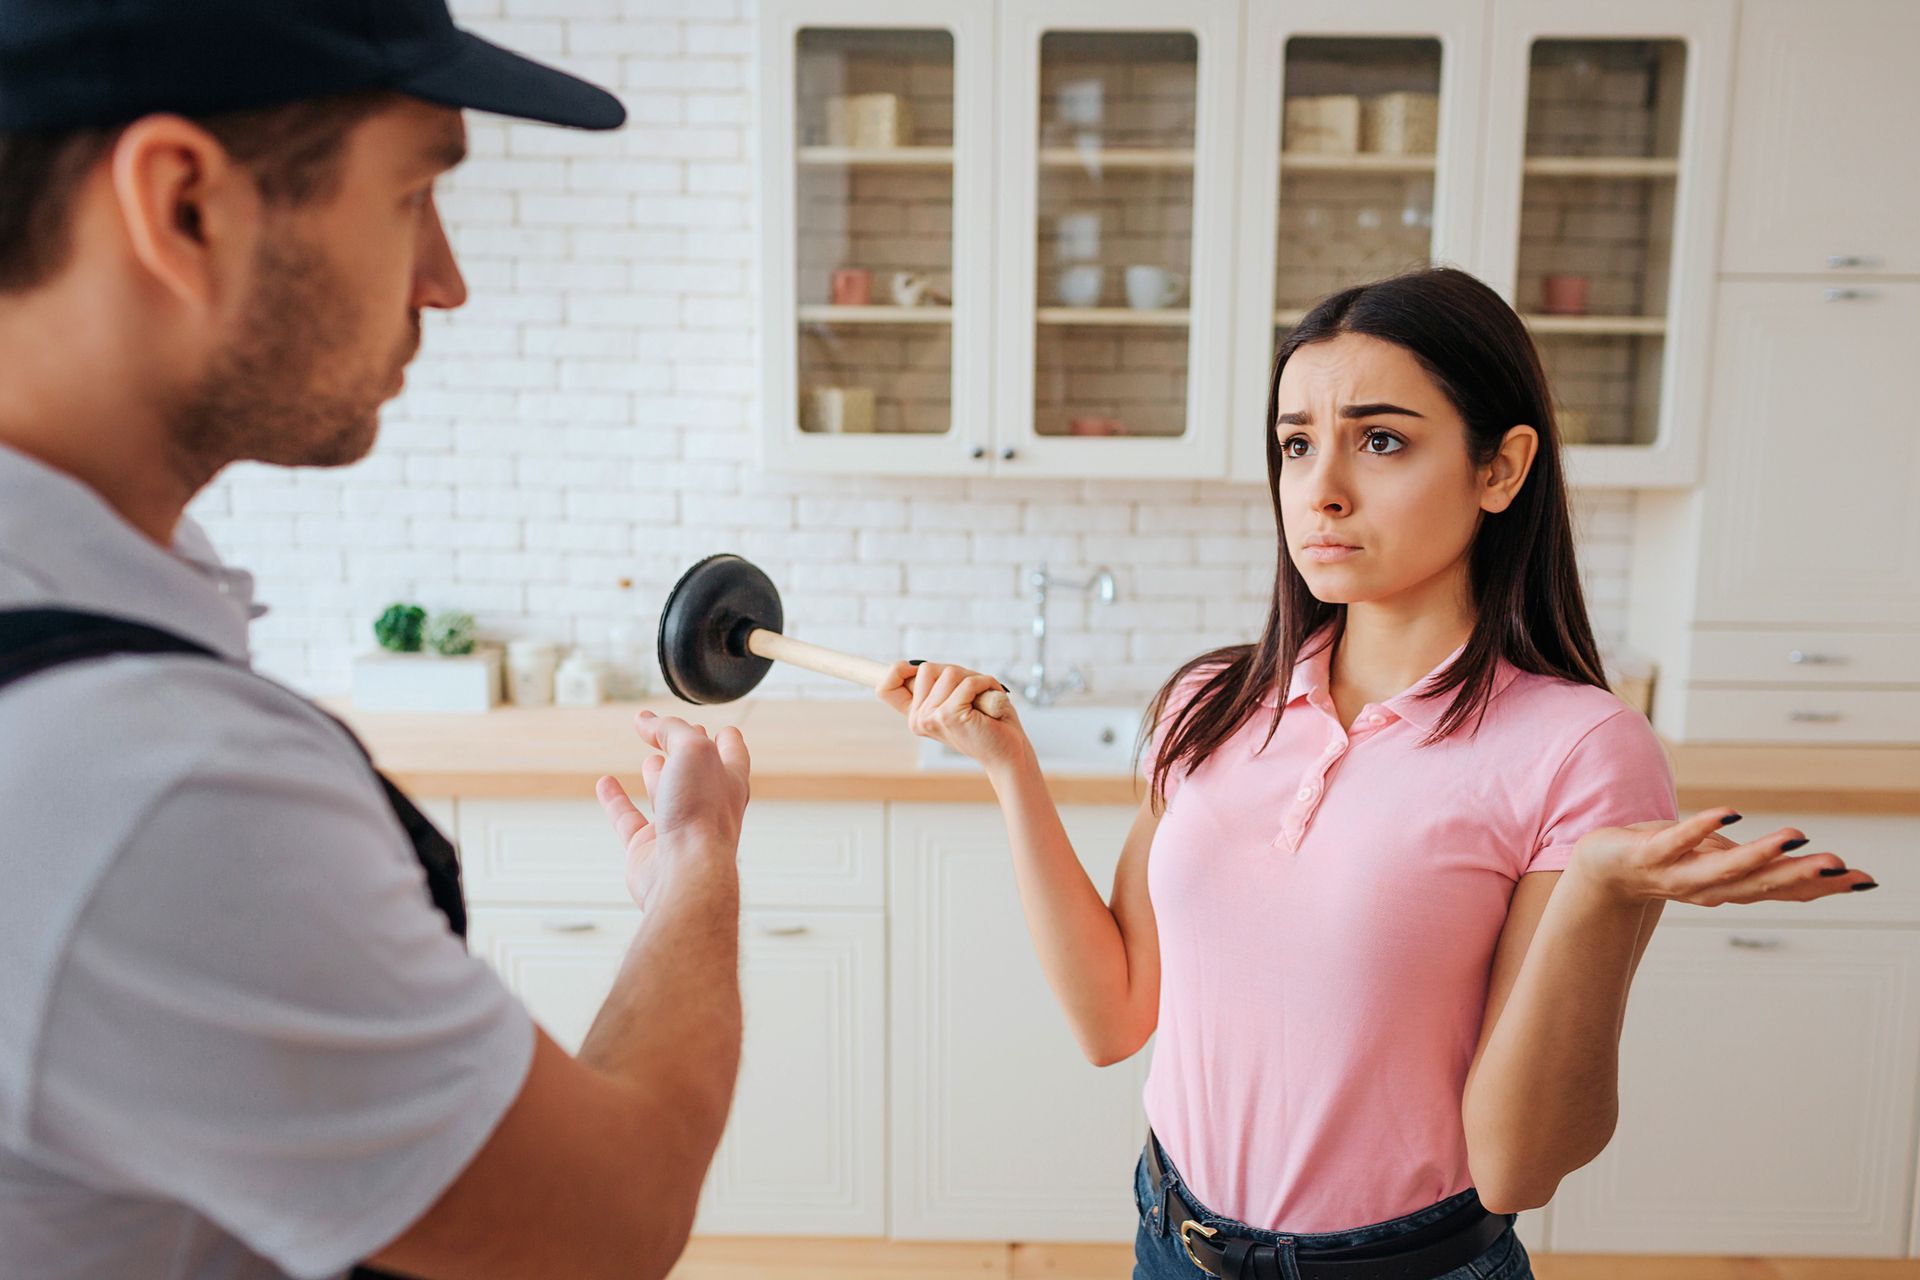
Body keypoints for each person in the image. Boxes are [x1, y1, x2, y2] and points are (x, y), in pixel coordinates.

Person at [879, 266, 1874, 1280]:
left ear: (1501, 467)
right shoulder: (1215, 701)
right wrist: (1010, 771)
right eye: (1297, 443)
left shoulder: (1580, 749)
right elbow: (1114, 1014)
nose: (1323, 488)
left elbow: (1517, 1162)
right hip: (1173, 1238)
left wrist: (1599, 898)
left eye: (1382, 439)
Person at [0, 3, 751, 1278]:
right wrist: (698, 855)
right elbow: (606, 1224)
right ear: (185, 206)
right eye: (413, 194)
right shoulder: (147, 781)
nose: (446, 279)